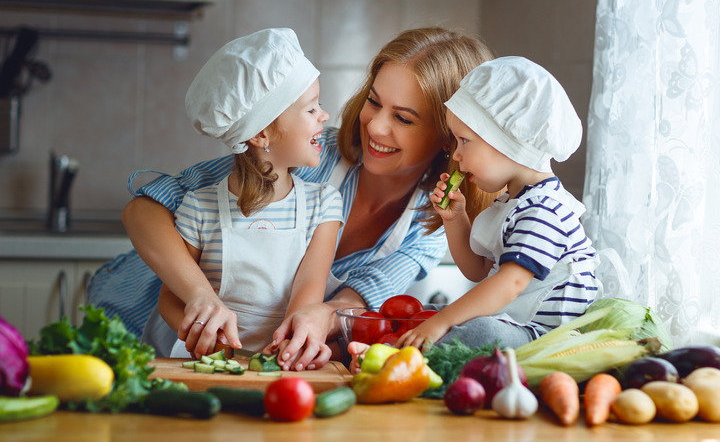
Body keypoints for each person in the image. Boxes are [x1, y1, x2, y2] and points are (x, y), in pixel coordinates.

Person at [87, 27, 498, 371]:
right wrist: (199, 296)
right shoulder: (310, 152)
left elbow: (364, 291)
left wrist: (321, 319)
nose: (375, 126)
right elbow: (144, 209)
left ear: (450, 134)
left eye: (403, 118)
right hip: (144, 317)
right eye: (374, 102)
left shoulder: (435, 218)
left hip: (246, 358)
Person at [155, 28, 344, 358]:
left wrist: (287, 346)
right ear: (261, 133)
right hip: (206, 364)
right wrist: (202, 339)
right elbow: (170, 298)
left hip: (281, 361)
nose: (324, 116)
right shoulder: (200, 207)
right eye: (311, 109)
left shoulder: (323, 204)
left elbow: (308, 288)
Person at [397, 56, 601, 352]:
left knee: (479, 331)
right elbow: (479, 272)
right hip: (519, 326)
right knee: (447, 320)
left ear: (508, 141)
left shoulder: (544, 210)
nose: (456, 154)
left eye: (464, 141)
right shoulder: (513, 203)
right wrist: (455, 220)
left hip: (547, 338)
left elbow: (510, 284)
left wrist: (442, 321)